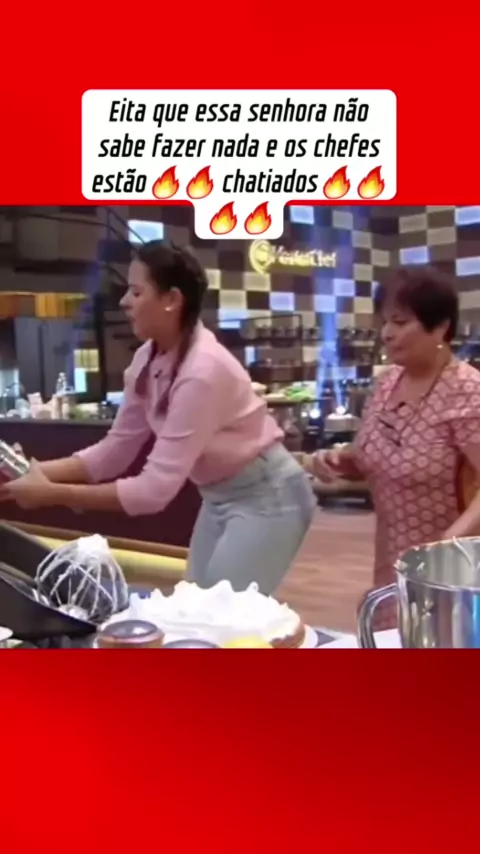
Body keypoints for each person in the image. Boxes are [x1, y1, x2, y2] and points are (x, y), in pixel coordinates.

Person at [0, 241, 315, 595]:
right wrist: (32, 472)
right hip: (217, 495)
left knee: (217, 615)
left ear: (172, 300)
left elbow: (153, 492)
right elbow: (114, 452)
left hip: (269, 495)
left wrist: (52, 493)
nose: (124, 301)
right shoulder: (148, 359)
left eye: (136, 292)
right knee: (194, 605)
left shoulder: (202, 370)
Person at [309, 265, 480, 629]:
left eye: (400, 322)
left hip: (454, 569)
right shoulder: (387, 385)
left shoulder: (467, 391)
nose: (387, 333)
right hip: (391, 561)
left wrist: (446, 545)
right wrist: (343, 461)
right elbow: (379, 455)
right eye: (385, 322)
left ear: (440, 327)